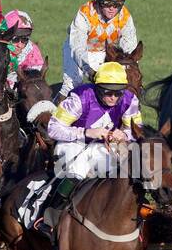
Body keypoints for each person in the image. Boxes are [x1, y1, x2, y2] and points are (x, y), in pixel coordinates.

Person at [35, 61, 142, 240]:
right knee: (78, 169)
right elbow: (53, 129)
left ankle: (133, 218)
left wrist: (123, 134)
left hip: (103, 147)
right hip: (73, 144)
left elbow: (138, 129)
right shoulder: (80, 98)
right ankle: (49, 219)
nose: (114, 97)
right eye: (108, 91)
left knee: (124, 174)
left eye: (118, 92)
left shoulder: (129, 99)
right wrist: (86, 132)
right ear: (98, 87)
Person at [59, 0, 139, 97]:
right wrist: (89, 71)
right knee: (72, 86)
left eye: (118, 4)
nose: (112, 8)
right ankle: (55, 112)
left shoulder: (125, 17)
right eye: (107, 3)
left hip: (104, 52)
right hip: (76, 50)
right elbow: (77, 47)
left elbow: (129, 52)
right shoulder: (85, 12)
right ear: (99, 0)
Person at [4, 10, 46, 90]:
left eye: (25, 39)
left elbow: (35, 85)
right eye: (15, 39)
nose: (20, 45)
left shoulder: (33, 51)